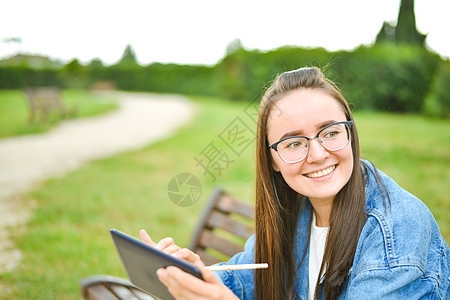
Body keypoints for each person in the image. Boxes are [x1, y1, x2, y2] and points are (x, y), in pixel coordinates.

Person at [140, 67, 450, 299]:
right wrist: (197, 273)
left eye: (330, 132)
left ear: (350, 133)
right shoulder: (295, 208)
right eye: (294, 143)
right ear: (272, 160)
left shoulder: (395, 231)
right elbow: (244, 283)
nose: (317, 154)